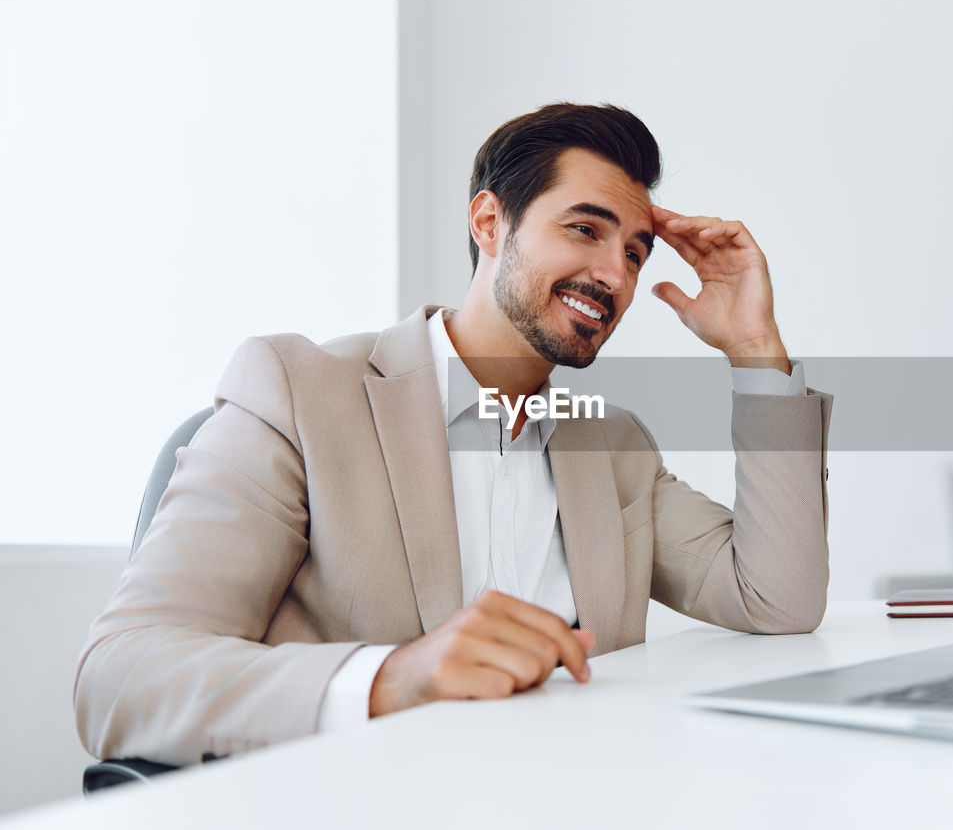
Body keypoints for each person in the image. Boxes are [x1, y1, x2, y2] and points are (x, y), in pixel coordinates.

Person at [75, 103, 834, 765]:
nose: (616, 274)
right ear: (488, 223)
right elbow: (121, 674)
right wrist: (393, 677)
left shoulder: (611, 445)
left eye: (635, 252)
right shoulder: (300, 391)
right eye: (585, 230)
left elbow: (777, 598)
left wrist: (756, 352)